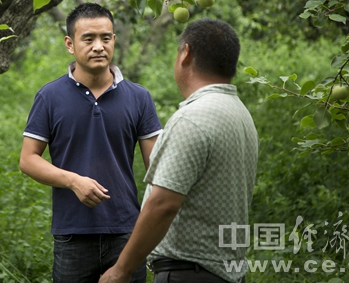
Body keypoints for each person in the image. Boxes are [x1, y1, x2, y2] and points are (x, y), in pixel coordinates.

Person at [99, 18, 259, 283]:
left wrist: (122, 269)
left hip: (190, 273)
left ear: (185, 54)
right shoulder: (240, 113)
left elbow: (163, 204)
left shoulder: (192, 118)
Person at [19, 2, 163, 283]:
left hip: (127, 233)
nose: (99, 46)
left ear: (114, 40)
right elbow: (28, 159)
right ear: (70, 44)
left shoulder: (139, 97)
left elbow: (157, 169)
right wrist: (73, 181)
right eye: (89, 39)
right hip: (73, 234)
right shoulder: (49, 97)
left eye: (105, 38)